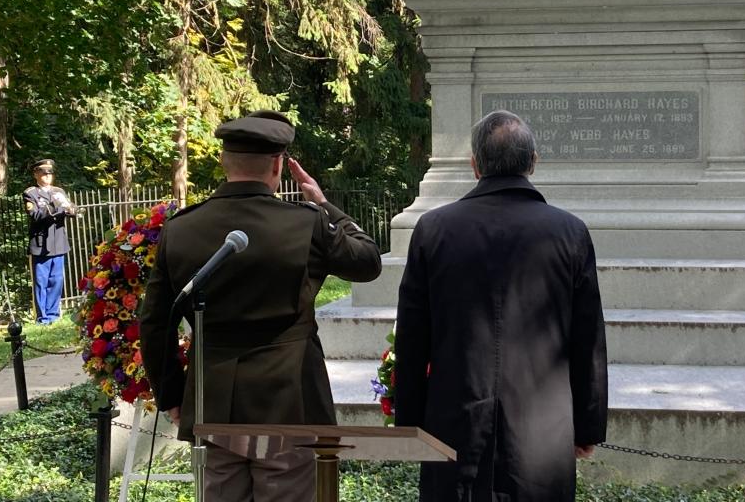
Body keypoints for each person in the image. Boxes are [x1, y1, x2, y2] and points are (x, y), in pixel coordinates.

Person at [139, 110, 382, 502]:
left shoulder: (181, 228)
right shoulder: (306, 223)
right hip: (290, 399)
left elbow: (154, 322)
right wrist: (323, 204)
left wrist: (171, 396)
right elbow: (368, 262)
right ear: (278, 164)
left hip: (214, 401)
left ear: (223, 160)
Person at [395, 110, 609, 502]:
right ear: (533, 163)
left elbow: (413, 337)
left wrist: (410, 423)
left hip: (455, 421)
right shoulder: (570, 232)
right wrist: (587, 426)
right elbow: (587, 339)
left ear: (475, 165)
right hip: (541, 430)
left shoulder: (434, 229)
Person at [23, 158, 77, 325]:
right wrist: (58, 208)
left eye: (49, 173)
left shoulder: (58, 191)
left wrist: (70, 208)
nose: (47, 176)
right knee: (41, 281)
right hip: (41, 245)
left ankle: (53, 314)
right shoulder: (30, 193)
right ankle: (43, 317)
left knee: (56, 280)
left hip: (58, 242)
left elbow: (72, 210)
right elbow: (36, 216)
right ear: (36, 174)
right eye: (43, 173)